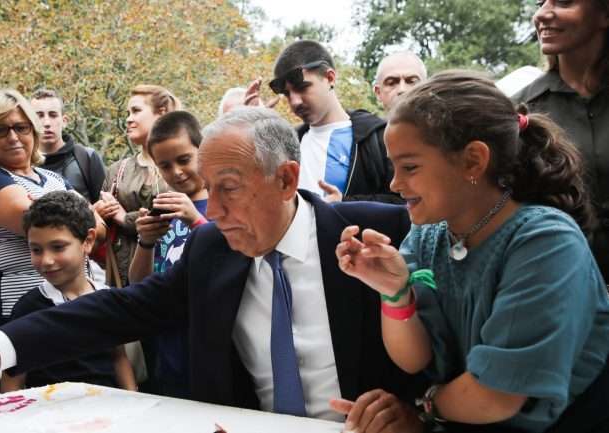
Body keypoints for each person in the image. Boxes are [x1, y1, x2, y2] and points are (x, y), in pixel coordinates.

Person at [0, 107, 426, 433]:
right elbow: (116, 311)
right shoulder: (213, 250)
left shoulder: (384, 233)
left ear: (287, 180)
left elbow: (451, 336)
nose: (211, 212)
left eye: (230, 190)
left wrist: (419, 411)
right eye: (207, 190)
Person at [336, 70, 609, 432]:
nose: (394, 183)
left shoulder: (545, 243)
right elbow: (414, 360)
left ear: (473, 161)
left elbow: (497, 395)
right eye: (393, 167)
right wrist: (395, 292)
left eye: (411, 167)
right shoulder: (426, 237)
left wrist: (423, 410)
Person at [0, 89, 105, 328]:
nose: (13, 137)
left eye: (21, 127)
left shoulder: (52, 178)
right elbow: (41, 224)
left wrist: (80, 217)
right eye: (0, 129)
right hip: (21, 309)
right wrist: (84, 213)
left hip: (76, 302)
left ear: (33, 130)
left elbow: (100, 232)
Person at [0, 191, 135, 392]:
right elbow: (13, 379)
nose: (46, 260)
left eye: (58, 247)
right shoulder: (28, 308)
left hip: (109, 412)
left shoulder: (107, 300)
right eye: (36, 250)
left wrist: (133, 400)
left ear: (88, 241)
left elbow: (118, 358)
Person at [513, 0, 609, 282]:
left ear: (604, 14)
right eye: (541, 2)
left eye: (564, 2)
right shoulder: (519, 111)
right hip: (561, 283)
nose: (543, 14)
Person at [253, 40, 400, 204]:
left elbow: (405, 204)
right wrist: (250, 132)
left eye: (302, 87)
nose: (294, 101)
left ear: (330, 78)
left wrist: (344, 204)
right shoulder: (286, 145)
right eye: (287, 94)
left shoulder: (380, 136)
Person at [127, 111, 208, 398]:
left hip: (211, 341)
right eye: (165, 165)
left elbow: (234, 260)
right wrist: (146, 242)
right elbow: (139, 283)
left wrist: (195, 220)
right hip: (168, 344)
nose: (176, 172)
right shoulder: (165, 211)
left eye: (184, 160)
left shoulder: (224, 204)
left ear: (203, 151)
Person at [94, 84, 178, 287]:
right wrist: (97, 212)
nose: (128, 119)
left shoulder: (180, 166)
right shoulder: (118, 170)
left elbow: (178, 215)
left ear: (161, 113)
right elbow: (100, 228)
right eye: (127, 113)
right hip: (122, 280)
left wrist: (124, 218)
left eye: (136, 111)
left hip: (168, 273)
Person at [30, 88, 106, 204]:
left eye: (53, 115)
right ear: (30, 122)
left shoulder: (86, 157)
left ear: (64, 121)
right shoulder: (21, 164)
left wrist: (97, 212)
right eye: (39, 116)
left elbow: (107, 206)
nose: (47, 123)